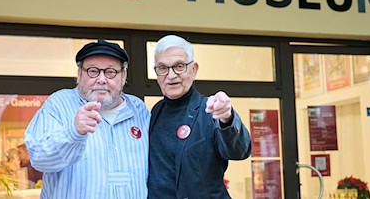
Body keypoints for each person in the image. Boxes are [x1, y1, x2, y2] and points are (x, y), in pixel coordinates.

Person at [24, 39, 150, 198]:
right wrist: (73, 131)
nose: (102, 79)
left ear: (123, 75)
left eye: (111, 72)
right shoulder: (59, 103)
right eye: (93, 70)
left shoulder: (138, 109)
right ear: (79, 74)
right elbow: (39, 159)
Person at [148, 35, 252, 199]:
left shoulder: (210, 109)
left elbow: (240, 151)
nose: (171, 75)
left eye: (179, 66)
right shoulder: (155, 112)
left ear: (194, 70)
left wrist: (227, 118)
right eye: (162, 68)